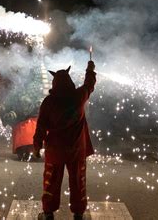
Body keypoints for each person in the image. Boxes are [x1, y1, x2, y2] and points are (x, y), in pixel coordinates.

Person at [34, 61, 96, 220]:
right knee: (78, 182)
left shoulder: (48, 102)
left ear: (54, 83)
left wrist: (36, 146)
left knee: (51, 182)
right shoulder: (78, 96)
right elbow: (89, 85)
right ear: (69, 81)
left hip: (55, 151)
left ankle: (48, 213)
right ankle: (78, 213)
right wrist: (90, 69)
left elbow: (40, 127)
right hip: (76, 151)